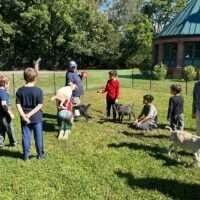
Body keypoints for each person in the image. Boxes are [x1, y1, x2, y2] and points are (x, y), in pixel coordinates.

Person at [16, 68, 46, 161]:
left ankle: (26, 156)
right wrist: (28, 115)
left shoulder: (20, 90)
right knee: (38, 137)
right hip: (36, 118)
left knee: (26, 137)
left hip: (25, 118)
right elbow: (39, 105)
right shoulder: (38, 90)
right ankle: (40, 155)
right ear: (35, 78)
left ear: (25, 78)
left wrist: (24, 116)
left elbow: (18, 104)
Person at [0, 75, 18, 148]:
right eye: (8, 83)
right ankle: (13, 143)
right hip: (5, 113)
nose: (9, 85)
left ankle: (0, 144)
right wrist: (10, 113)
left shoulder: (2, 91)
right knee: (9, 128)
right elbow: (4, 104)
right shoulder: (3, 92)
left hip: (0, 113)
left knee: (1, 128)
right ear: (4, 83)